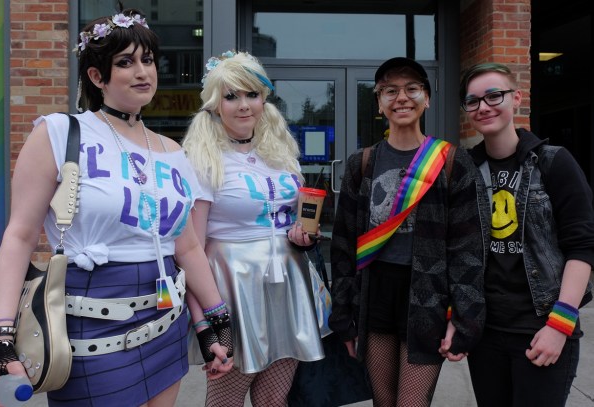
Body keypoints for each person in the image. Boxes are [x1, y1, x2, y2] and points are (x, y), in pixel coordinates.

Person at [0, 5, 232, 407]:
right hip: (88, 330)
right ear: (97, 76)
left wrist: (216, 322)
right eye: (126, 62)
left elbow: (185, 247)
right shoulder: (60, 132)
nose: (142, 71)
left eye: (147, 60)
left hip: (166, 325)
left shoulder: (171, 152)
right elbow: (20, 236)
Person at [328, 57, 486, 407]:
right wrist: (343, 315)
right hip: (375, 296)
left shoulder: (451, 163)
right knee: (383, 402)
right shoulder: (362, 163)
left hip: (429, 297)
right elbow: (342, 247)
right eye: (390, 91)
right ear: (379, 103)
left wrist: (464, 318)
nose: (402, 97)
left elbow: (468, 249)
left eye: (412, 89)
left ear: (426, 99)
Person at [181, 50, 325, 407]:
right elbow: (191, 251)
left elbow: (295, 218)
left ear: (264, 99)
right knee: (225, 402)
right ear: (215, 104)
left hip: (288, 285)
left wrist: (305, 235)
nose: (244, 105)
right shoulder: (202, 160)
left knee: (275, 400)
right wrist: (204, 326)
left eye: (252, 94)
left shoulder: (281, 152)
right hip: (233, 290)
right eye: (231, 96)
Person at [460, 62, 594, 407]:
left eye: (494, 95)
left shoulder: (554, 162)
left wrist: (560, 325)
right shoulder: (465, 170)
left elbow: (582, 247)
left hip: (541, 327)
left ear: (516, 98)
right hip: (486, 332)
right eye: (473, 100)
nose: (483, 106)